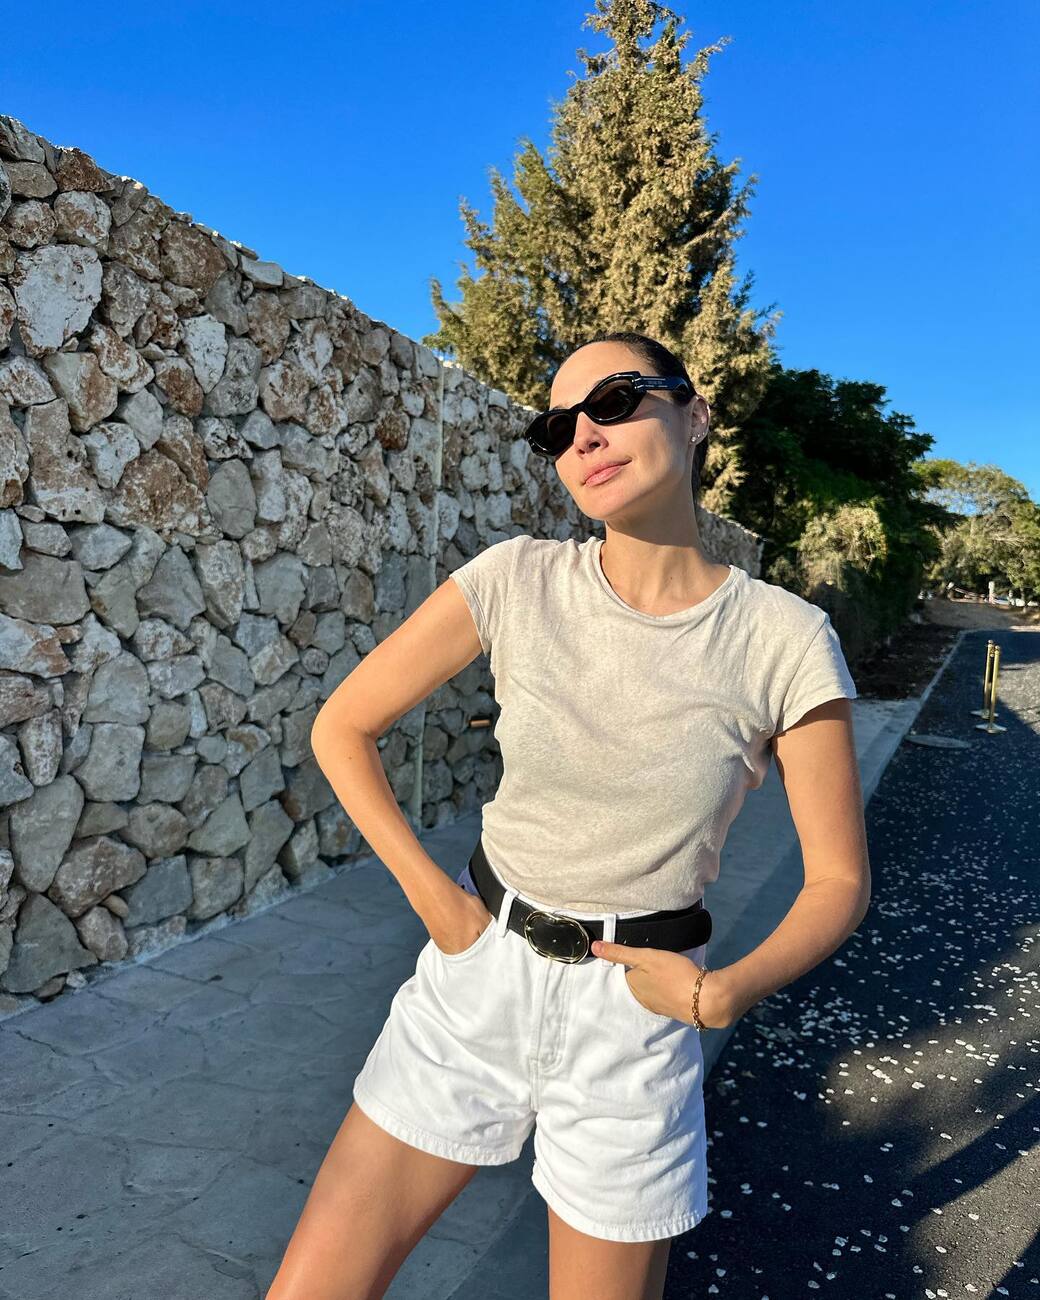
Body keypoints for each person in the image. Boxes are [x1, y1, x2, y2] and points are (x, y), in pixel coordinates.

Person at [265, 332, 870, 1300]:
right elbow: (343, 725)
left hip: (634, 1018)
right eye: (556, 427)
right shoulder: (516, 578)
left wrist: (723, 995)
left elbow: (837, 878)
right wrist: (438, 904)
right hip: (473, 987)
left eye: (616, 400)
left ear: (695, 414)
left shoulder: (783, 638)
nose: (582, 435)